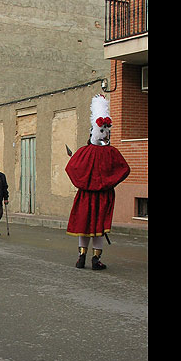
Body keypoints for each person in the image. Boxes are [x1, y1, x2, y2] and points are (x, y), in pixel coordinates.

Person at [65, 95, 130, 270]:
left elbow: (71, 168)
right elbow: (124, 169)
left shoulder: (84, 152)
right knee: (98, 227)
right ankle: (95, 260)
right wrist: (108, 183)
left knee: (84, 225)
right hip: (102, 196)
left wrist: (83, 183)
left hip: (86, 195)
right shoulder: (111, 152)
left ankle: (82, 257)